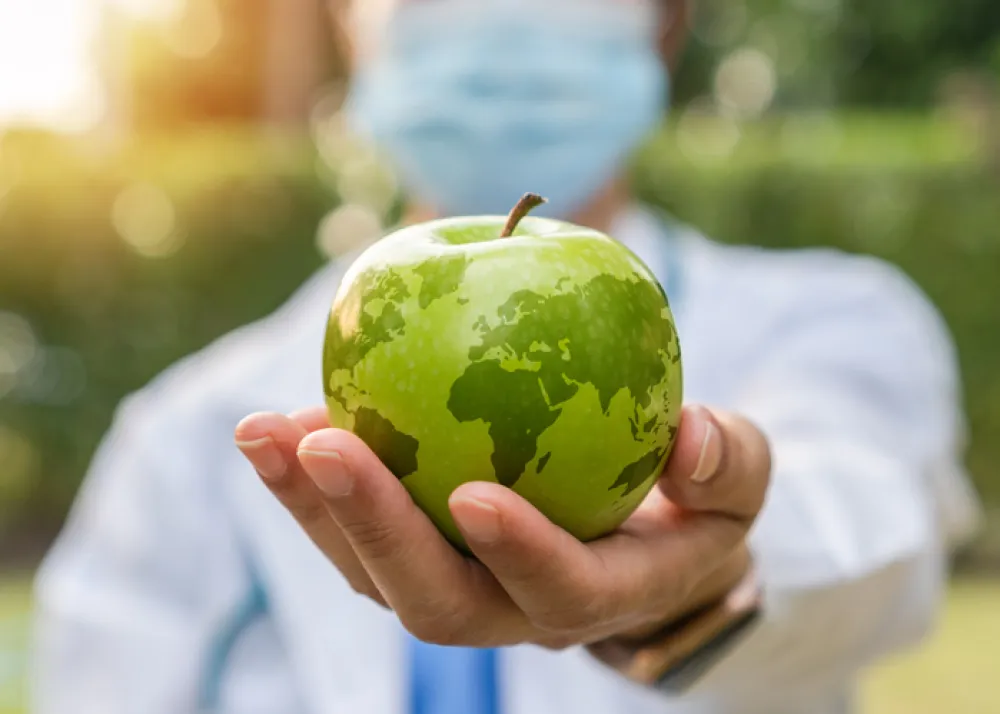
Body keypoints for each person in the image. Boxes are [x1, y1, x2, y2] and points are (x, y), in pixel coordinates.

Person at [31, 0, 982, 713]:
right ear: (352, 25)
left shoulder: (834, 322)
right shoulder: (190, 433)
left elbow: (867, 517)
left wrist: (701, 577)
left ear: (664, 26)